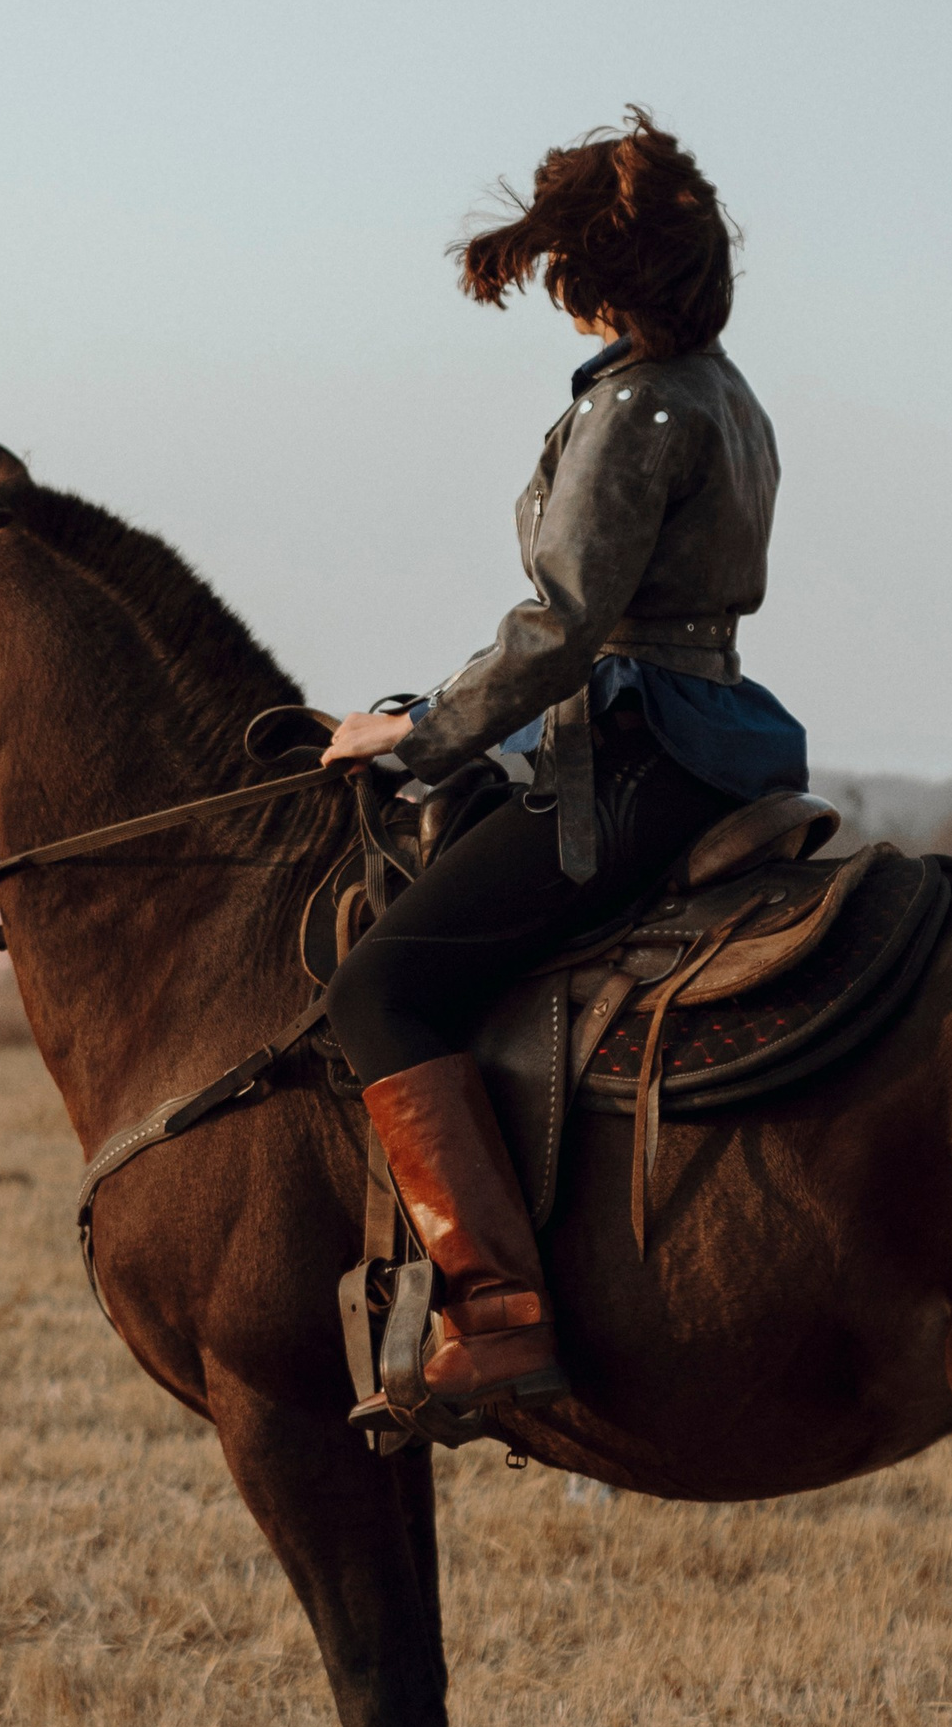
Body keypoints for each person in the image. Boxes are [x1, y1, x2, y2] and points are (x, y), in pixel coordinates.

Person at [323, 111, 808, 1418]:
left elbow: (565, 624)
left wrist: (417, 730)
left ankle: (493, 1315)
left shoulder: (637, 402)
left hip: (636, 747)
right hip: (709, 726)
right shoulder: (728, 392)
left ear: (595, 276)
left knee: (379, 988)